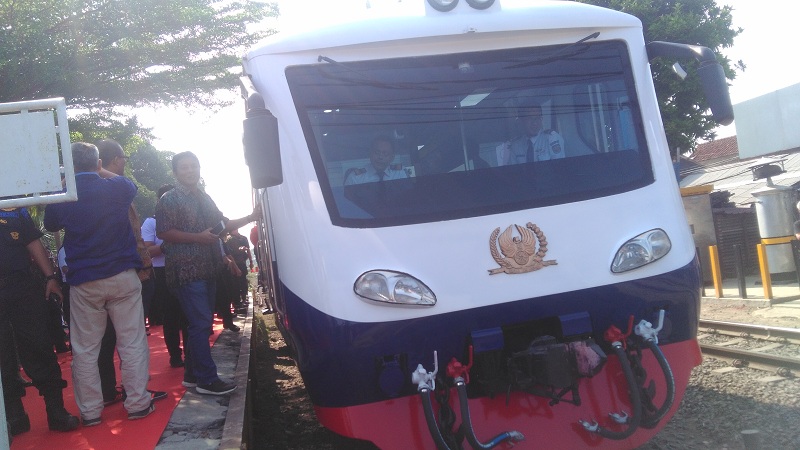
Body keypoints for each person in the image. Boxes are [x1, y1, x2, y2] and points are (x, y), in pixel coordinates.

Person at [44, 142, 154, 425]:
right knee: (131, 342)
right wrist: (99, 169)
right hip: (121, 275)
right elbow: (127, 184)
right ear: (98, 163)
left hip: (84, 281)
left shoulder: (65, 197)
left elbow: (51, 224)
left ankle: (91, 412)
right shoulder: (116, 189)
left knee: (85, 349)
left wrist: (68, 179)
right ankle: (138, 403)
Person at [155, 151, 259, 395]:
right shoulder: (169, 199)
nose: (190, 171)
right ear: (176, 172)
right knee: (201, 324)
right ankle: (206, 380)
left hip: (208, 269)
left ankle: (192, 375)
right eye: (184, 167)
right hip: (186, 271)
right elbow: (163, 232)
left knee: (198, 324)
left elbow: (221, 224)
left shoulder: (205, 197)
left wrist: (250, 217)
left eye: (194, 166)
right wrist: (198, 238)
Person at [95, 139, 165, 406]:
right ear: (114, 160)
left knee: (108, 338)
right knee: (130, 338)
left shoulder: (94, 191)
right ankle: (135, 393)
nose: (125, 162)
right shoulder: (117, 190)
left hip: (118, 272)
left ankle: (108, 391)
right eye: (123, 157)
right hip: (132, 272)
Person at [0, 207, 79, 436]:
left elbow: (33, 243)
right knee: (2, 355)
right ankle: (14, 417)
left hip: (22, 287)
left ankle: (56, 411)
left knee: (39, 346)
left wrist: (50, 277)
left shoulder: (12, 207)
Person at [142, 183, 187, 368]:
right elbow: (146, 252)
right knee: (171, 315)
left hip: (184, 269)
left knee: (187, 314)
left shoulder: (183, 221)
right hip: (162, 272)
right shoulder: (151, 223)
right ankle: (175, 355)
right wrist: (165, 246)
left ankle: (191, 354)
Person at [496, 104, 565, 165]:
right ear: (521, 121)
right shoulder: (516, 145)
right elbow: (514, 174)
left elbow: (559, 168)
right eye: (530, 118)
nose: (535, 123)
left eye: (537, 118)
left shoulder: (551, 139)